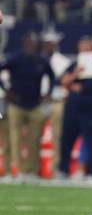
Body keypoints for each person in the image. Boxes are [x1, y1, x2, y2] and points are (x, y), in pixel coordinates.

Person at [0, 32, 55, 178]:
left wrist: (48, 92)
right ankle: (17, 170)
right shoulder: (16, 58)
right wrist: (6, 89)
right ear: (24, 43)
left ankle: (31, 170)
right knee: (15, 138)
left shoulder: (40, 60)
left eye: (33, 42)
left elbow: (51, 75)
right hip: (16, 104)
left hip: (35, 104)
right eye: (28, 42)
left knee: (34, 139)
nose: (31, 45)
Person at [59, 36, 92, 179]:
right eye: (82, 45)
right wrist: (75, 75)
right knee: (67, 139)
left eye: (87, 46)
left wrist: (82, 88)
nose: (84, 48)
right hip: (72, 108)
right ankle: (63, 170)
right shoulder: (74, 65)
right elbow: (62, 80)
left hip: (89, 108)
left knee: (91, 141)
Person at [40, 27, 71, 174]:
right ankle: (31, 170)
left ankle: (56, 168)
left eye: (51, 42)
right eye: (46, 42)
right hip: (38, 101)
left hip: (57, 100)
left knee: (58, 136)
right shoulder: (37, 58)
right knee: (33, 136)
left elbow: (64, 82)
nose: (48, 45)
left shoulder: (63, 61)